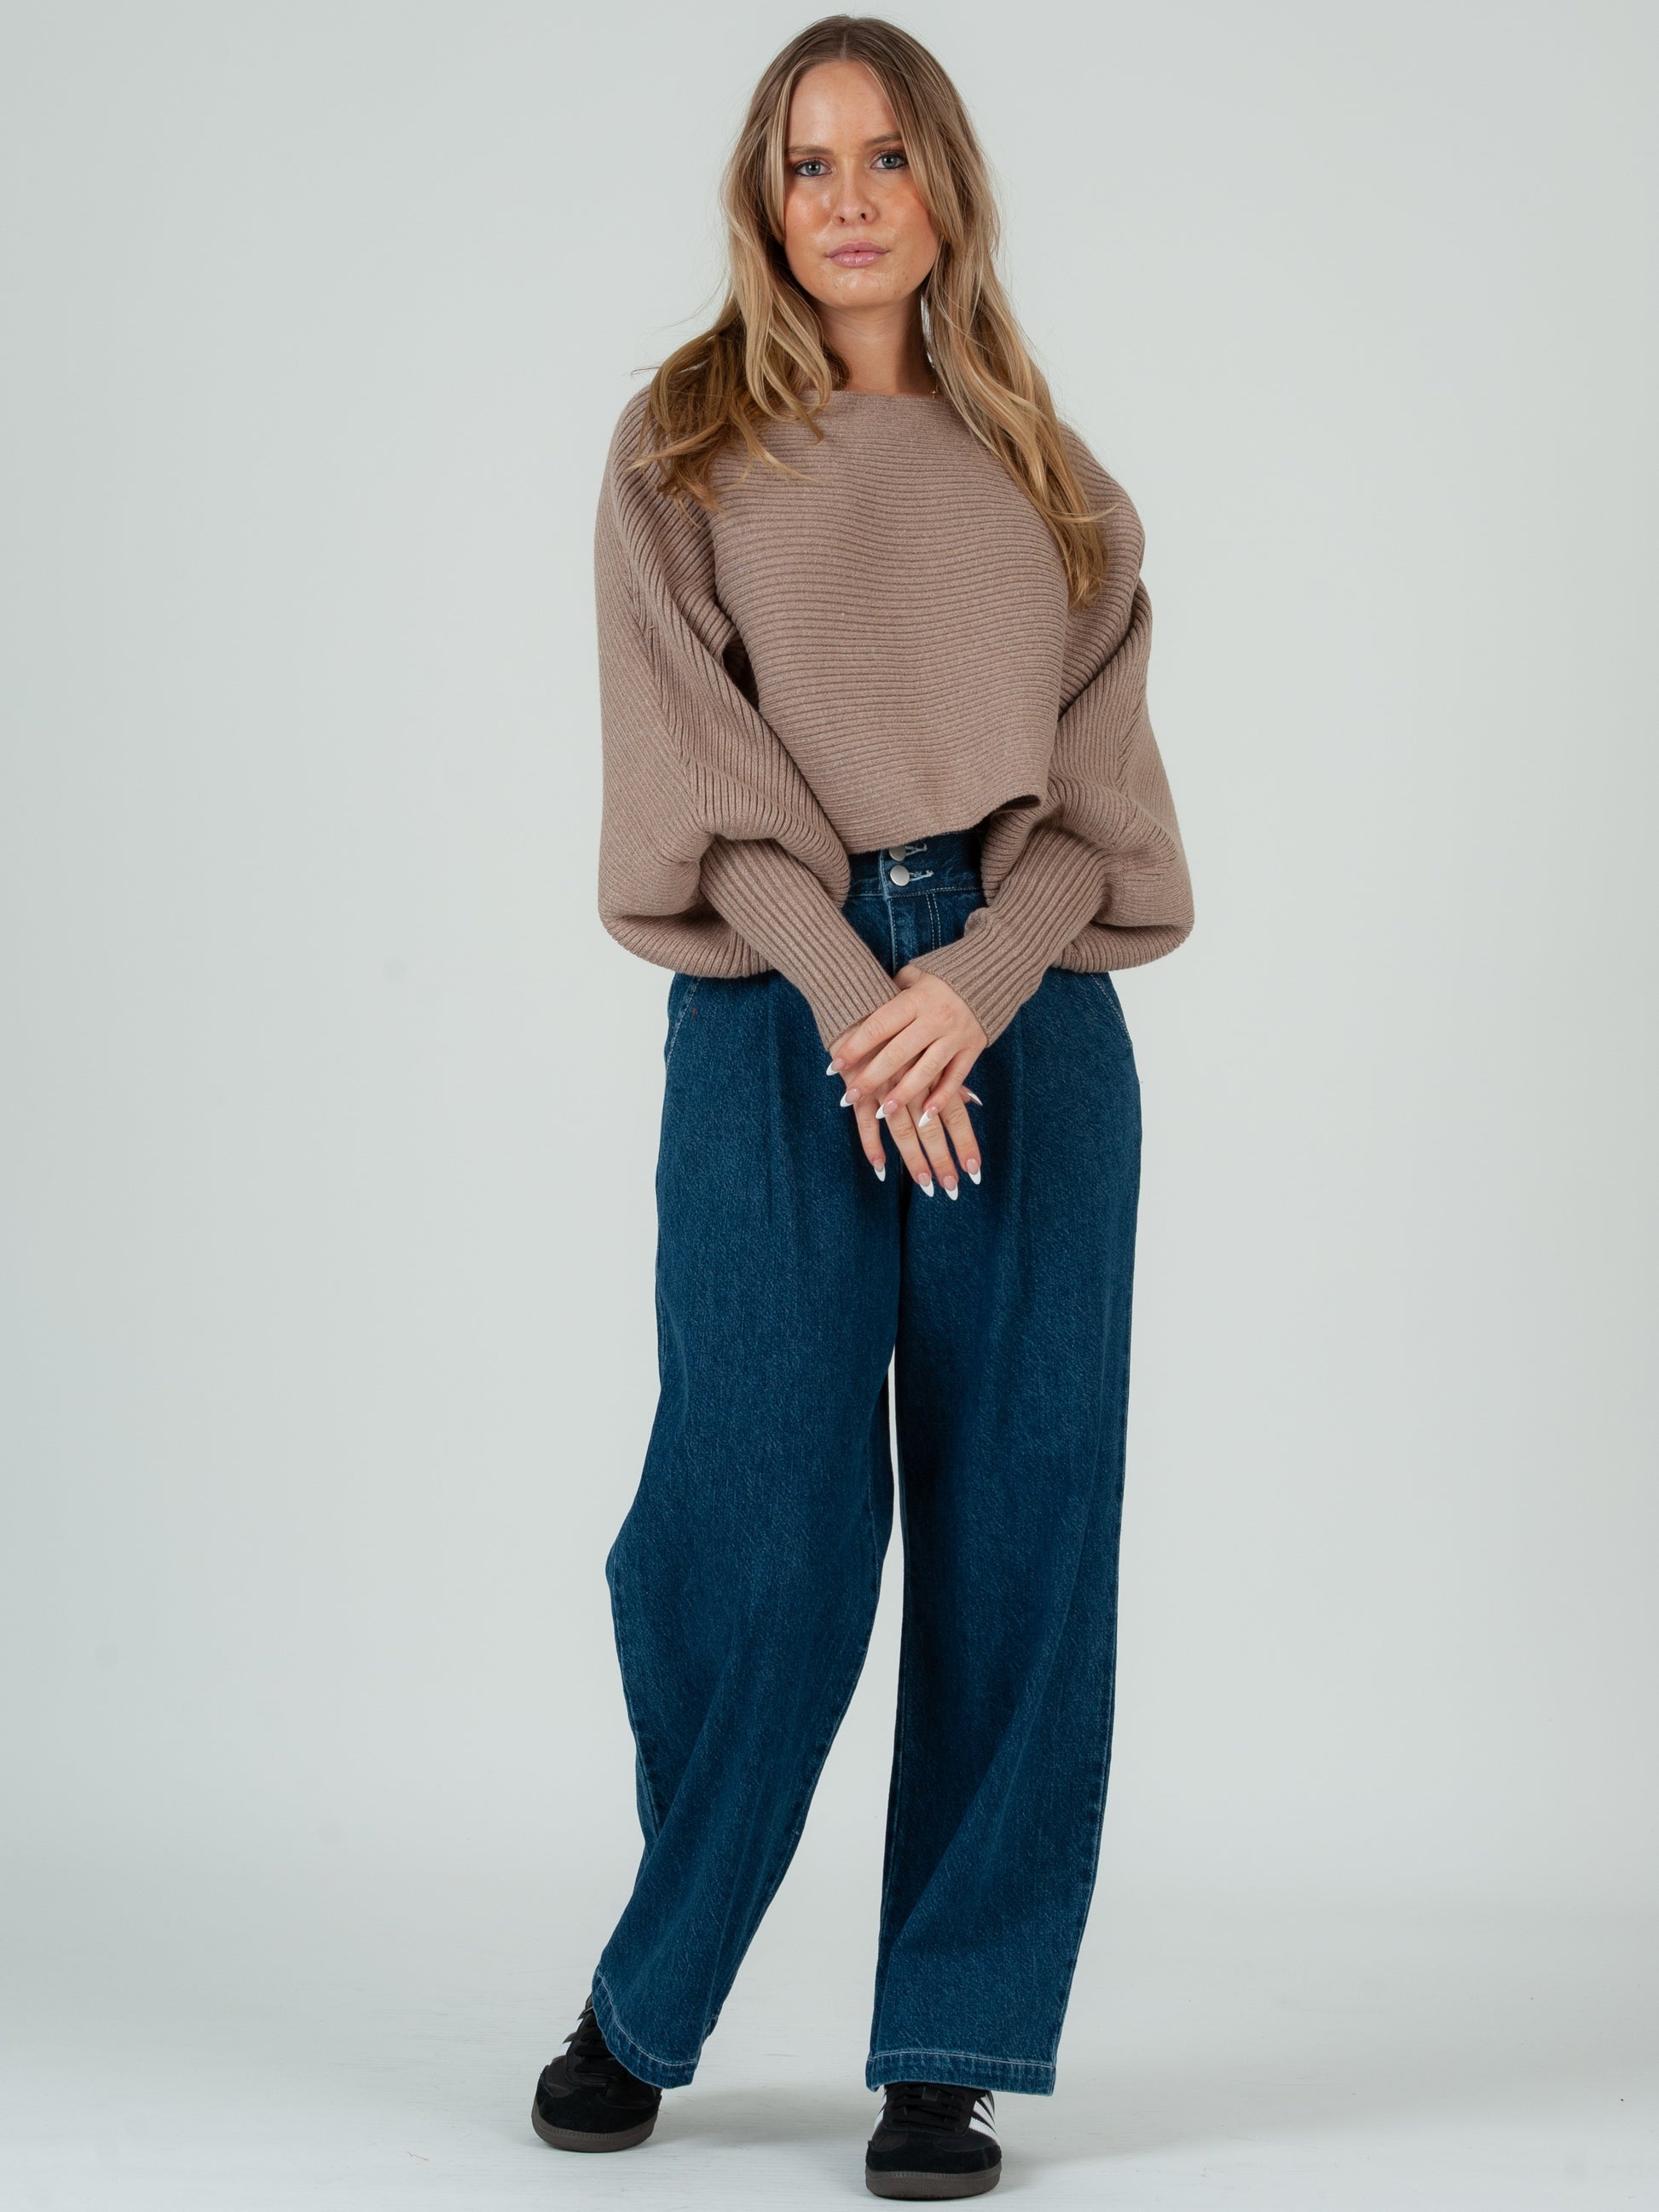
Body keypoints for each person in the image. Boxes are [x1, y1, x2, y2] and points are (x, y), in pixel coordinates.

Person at [531, 14, 1194, 2198]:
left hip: (1025, 1020)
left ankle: (950, 2045)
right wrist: (860, 1001)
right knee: (752, 1519)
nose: (845, 198)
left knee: (1024, 1525)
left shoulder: (1057, 479)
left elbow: (1101, 818)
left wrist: (972, 987)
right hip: (775, 1016)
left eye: (884, 157)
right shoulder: (681, 446)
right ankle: (653, 1985)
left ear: (943, 190)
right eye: (806, 160)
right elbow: (693, 780)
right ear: (761, 194)